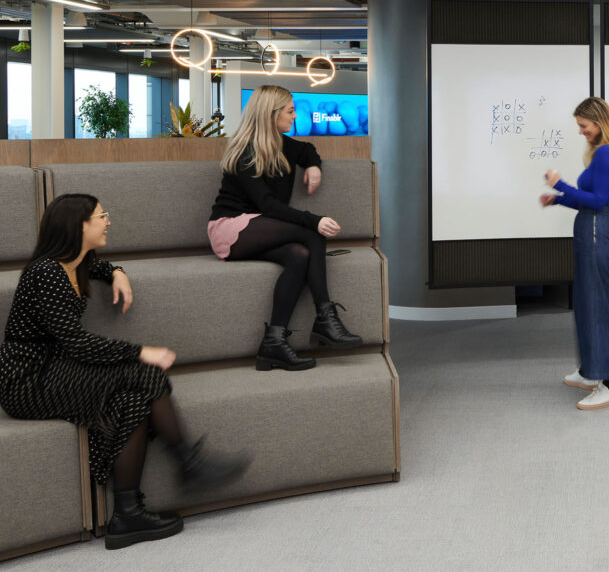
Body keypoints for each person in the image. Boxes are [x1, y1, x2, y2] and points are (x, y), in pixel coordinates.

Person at [0, 194, 247, 550]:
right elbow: (78, 344)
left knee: (133, 400)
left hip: (57, 369)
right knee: (146, 374)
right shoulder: (47, 273)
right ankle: (188, 463)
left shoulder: (78, 261)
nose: (109, 221)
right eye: (102, 216)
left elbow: (100, 268)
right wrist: (141, 351)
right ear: (79, 226)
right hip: (27, 381)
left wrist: (118, 272)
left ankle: (127, 515)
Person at [208, 84, 362, 371]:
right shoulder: (245, 153)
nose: (294, 116)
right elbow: (268, 206)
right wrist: (314, 220)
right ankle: (325, 317)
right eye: (290, 111)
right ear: (271, 114)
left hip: (260, 230)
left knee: (298, 256)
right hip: (230, 229)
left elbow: (307, 150)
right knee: (310, 232)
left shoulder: (282, 144)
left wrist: (313, 166)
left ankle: (273, 342)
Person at [540, 97, 609, 411]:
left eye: (583, 126)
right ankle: (592, 373)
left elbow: (599, 201)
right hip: (588, 233)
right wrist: (558, 198)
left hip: (595, 235)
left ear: (599, 123)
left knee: (598, 308)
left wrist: (560, 183)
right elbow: (587, 198)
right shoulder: (598, 154)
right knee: (586, 305)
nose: (580, 131)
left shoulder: (605, 154)